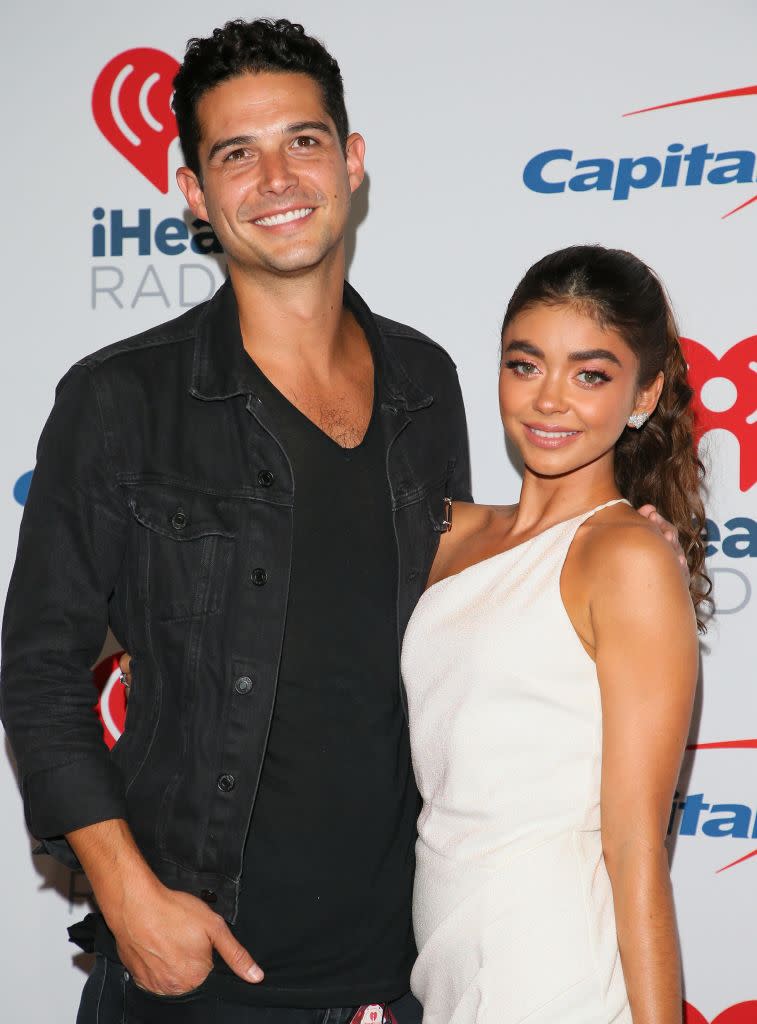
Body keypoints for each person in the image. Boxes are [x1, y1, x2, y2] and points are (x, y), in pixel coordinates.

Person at [1, 19, 683, 1024]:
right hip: (196, 971)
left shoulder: (422, 385)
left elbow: (433, 565)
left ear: (352, 162)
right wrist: (127, 893)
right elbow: (39, 672)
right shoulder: (120, 402)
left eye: (303, 141)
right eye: (237, 153)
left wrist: (620, 540)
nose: (275, 177)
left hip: (399, 976)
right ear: (194, 191)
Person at [401, 245, 708, 1024]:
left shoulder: (628, 557)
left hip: (551, 959)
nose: (548, 401)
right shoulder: (445, 533)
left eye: (590, 374)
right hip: (444, 952)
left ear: (644, 394)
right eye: (525, 365)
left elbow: (637, 843)